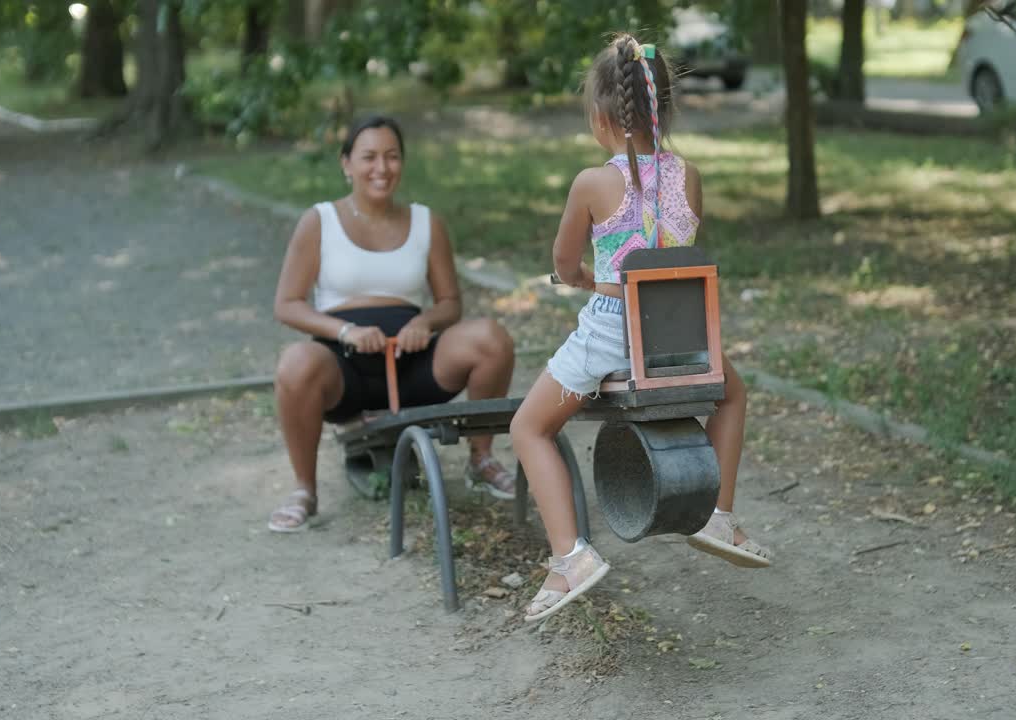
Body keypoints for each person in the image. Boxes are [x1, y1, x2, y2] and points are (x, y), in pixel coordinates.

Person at [508, 34, 772, 622]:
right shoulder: (690, 177)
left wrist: (580, 278)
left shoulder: (590, 184)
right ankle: (720, 516)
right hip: (680, 343)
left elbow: (563, 263)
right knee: (733, 393)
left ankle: (569, 557)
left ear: (602, 117)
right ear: (664, 110)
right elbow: (679, 259)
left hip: (610, 339)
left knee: (530, 426)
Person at [268, 115, 517, 532]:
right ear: (346, 163)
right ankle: (304, 490)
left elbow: (450, 303)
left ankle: (481, 458)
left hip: (413, 362)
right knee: (295, 363)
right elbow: (287, 304)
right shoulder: (319, 221)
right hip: (344, 367)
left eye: (392, 156)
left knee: (491, 338)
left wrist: (425, 321)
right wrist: (345, 331)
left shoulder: (426, 222)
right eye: (368, 157)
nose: (381, 168)